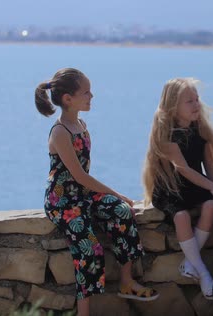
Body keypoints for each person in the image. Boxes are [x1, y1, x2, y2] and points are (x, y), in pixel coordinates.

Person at [35, 68, 159, 316]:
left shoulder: (81, 123)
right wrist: (116, 192)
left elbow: (83, 180)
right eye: (86, 92)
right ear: (68, 99)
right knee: (90, 249)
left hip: (83, 195)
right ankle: (84, 312)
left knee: (122, 213)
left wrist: (116, 199)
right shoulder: (60, 132)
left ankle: (126, 281)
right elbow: (79, 175)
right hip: (63, 202)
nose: (92, 96)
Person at [142, 78, 213, 300]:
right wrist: (210, 186)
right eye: (189, 101)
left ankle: (189, 263)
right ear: (173, 107)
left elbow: (209, 166)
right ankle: (202, 271)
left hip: (194, 185)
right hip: (170, 188)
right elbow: (183, 169)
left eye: (197, 99)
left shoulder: (200, 133)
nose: (196, 105)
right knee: (181, 216)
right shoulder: (168, 137)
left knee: (211, 204)